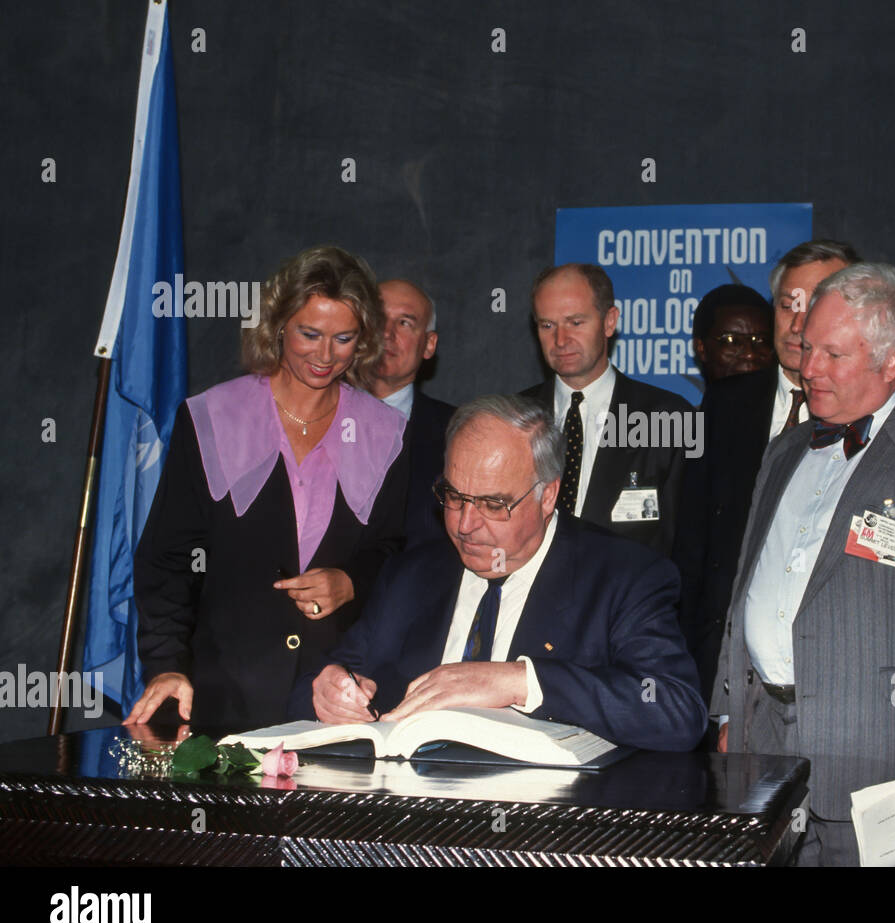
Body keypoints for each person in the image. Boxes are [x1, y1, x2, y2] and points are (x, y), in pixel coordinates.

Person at [713, 262, 895, 865]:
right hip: (763, 745)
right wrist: (728, 709)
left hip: (883, 759)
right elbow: (749, 582)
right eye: (805, 348)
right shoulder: (784, 450)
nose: (808, 368)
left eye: (832, 355)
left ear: (891, 361)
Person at [299, 394, 707, 751]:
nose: (465, 524)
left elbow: (676, 710)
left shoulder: (622, 576)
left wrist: (520, 681)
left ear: (547, 496)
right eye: (454, 497)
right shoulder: (413, 574)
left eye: (494, 504)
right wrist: (331, 690)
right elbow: (322, 680)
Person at [126, 246, 409, 730]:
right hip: (221, 701)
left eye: (343, 338)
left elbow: (397, 551)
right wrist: (167, 664)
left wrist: (352, 581)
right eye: (309, 334)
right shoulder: (212, 417)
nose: (325, 355)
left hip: (335, 708)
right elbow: (166, 558)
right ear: (278, 325)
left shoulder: (385, 432)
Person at [675, 240, 860, 699]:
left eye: (817, 303)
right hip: (720, 678)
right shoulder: (723, 404)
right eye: (787, 305)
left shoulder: (881, 417)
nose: (799, 324)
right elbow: (692, 552)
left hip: (839, 681)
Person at [522, 263, 692, 556]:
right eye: (547, 325)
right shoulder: (512, 419)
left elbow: (688, 545)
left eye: (575, 322)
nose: (560, 340)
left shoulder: (670, 418)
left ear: (609, 321)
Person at [371, 279, 455, 546]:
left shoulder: (459, 432)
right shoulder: (313, 417)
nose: (386, 333)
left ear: (429, 344)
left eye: (404, 323)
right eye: (377, 319)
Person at [690, 282, 775, 382]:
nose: (750, 354)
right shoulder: (672, 398)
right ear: (701, 349)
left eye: (759, 340)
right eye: (731, 340)